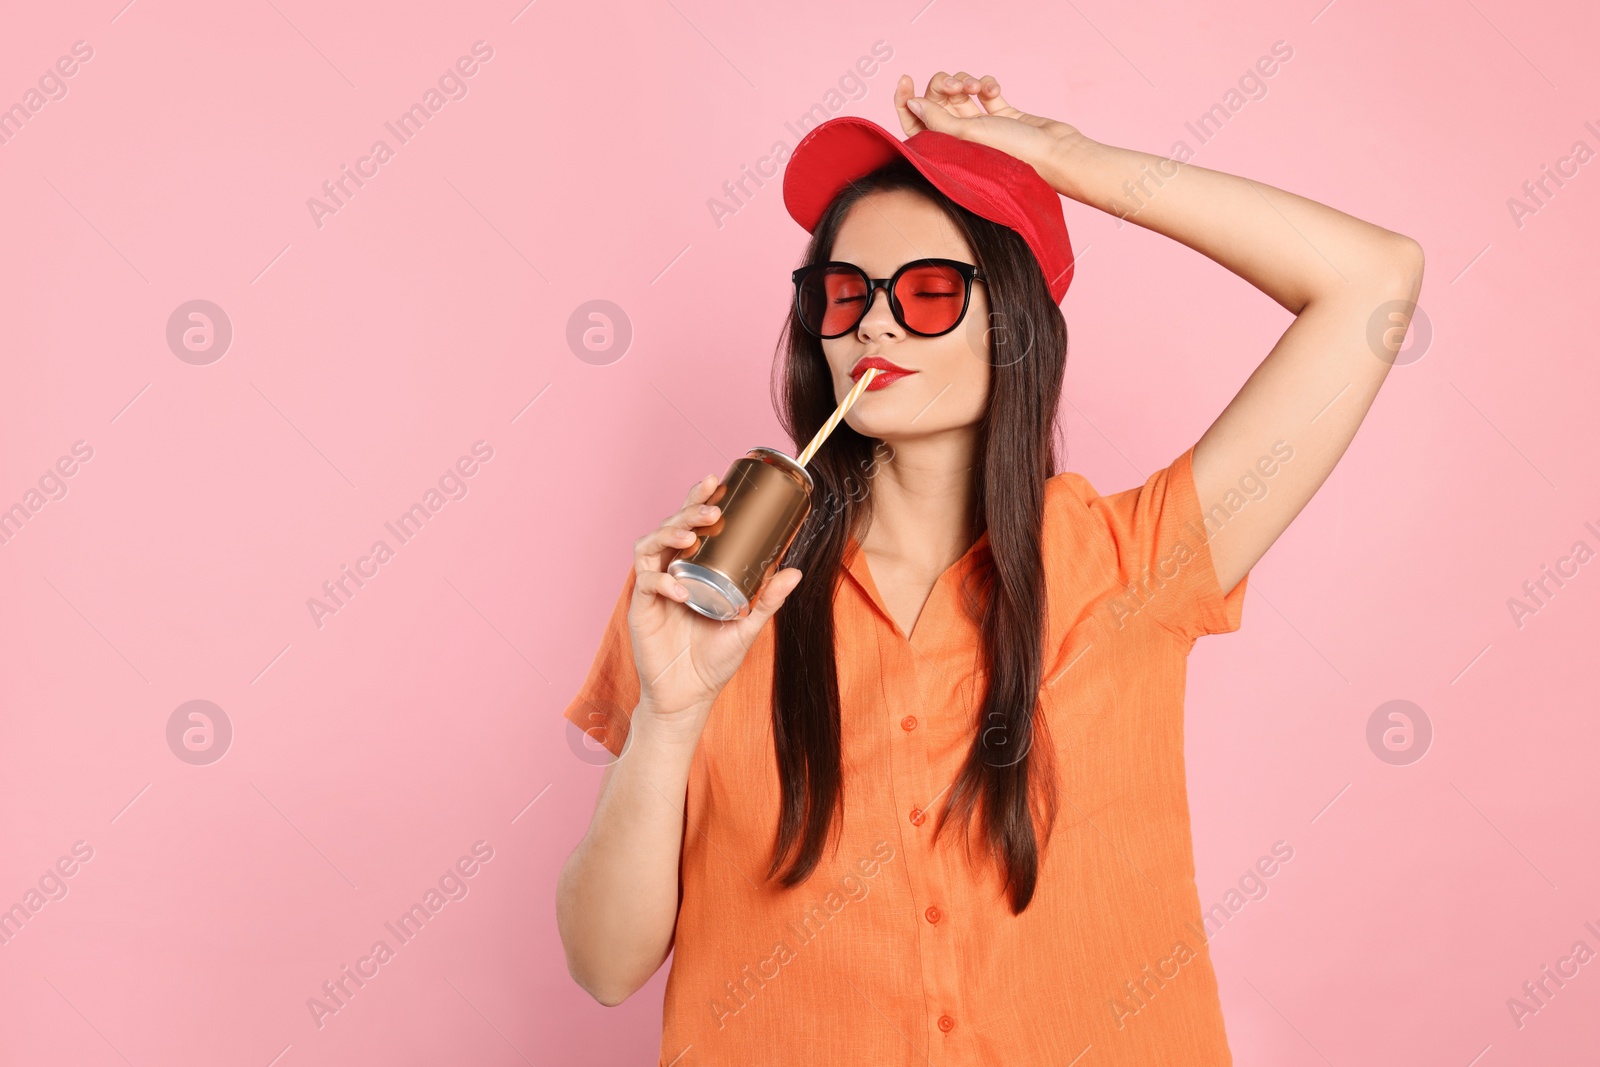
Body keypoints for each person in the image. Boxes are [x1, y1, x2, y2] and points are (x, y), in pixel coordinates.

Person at [555, 70, 1424, 1066]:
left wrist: (1064, 160)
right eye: (843, 294)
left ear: (1012, 322)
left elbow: (1373, 278)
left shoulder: (1130, 560)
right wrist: (668, 719)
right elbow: (604, 964)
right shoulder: (711, 591)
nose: (871, 325)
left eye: (927, 292)